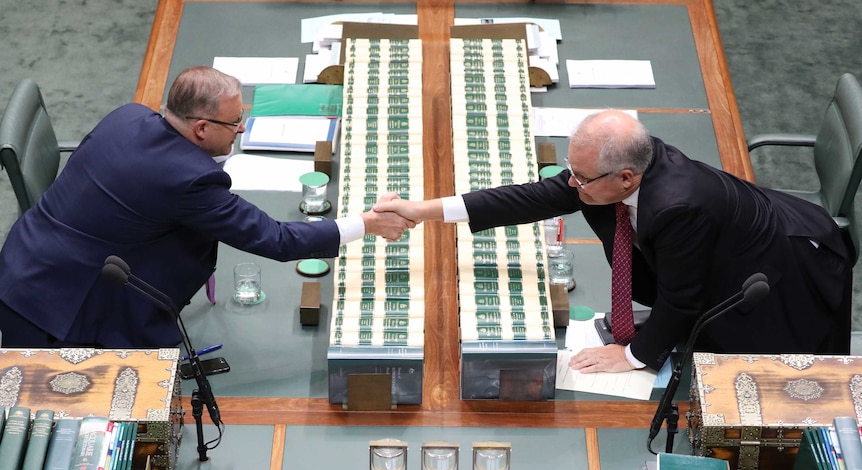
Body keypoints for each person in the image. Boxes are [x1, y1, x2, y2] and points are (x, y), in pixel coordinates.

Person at [374, 109, 852, 373]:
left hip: (790, 265)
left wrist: (632, 357)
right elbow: (531, 198)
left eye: (580, 177)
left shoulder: (676, 207)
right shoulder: (621, 171)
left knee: (777, 370)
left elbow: (683, 299)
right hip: (743, 241)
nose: (571, 184)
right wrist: (423, 211)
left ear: (625, 177)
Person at [0, 66, 412, 348]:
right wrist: (366, 224)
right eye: (235, 123)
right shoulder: (188, 181)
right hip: (56, 307)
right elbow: (275, 238)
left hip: (26, 255)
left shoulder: (128, 116)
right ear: (200, 128)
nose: (242, 128)